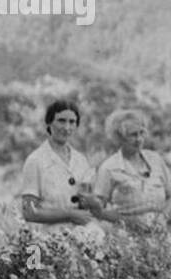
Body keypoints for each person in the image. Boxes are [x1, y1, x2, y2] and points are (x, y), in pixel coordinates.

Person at [20, 100, 107, 236]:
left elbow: (83, 204)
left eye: (72, 122)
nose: (67, 127)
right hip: (49, 240)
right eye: (61, 121)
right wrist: (69, 214)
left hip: (82, 238)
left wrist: (92, 202)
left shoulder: (81, 160)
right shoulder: (35, 161)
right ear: (49, 123)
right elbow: (29, 212)